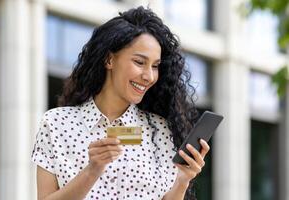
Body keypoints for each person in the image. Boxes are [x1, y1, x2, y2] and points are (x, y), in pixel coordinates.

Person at [31, 6, 210, 200]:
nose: (149, 76)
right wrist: (92, 171)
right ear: (109, 59)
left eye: (155, 66)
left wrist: (182, 181)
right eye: (140, 62)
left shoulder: (160, 130)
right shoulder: (57, 124)